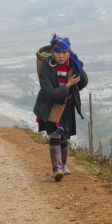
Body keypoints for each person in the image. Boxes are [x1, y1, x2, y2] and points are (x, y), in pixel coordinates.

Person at [33, 34, 88, 181]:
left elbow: (82, 84)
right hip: (51, 106)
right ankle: (57, 167)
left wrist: (79, 68)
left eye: (65, 52)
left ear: (69, 52)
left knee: (65, 136)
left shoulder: (73, 65)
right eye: (58, 52)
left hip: (67, 106)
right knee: (55, 134)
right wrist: (68, 85)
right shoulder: (46, 67)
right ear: (52, 53)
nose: (61, 56)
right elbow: (49, 93)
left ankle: (63, 165)